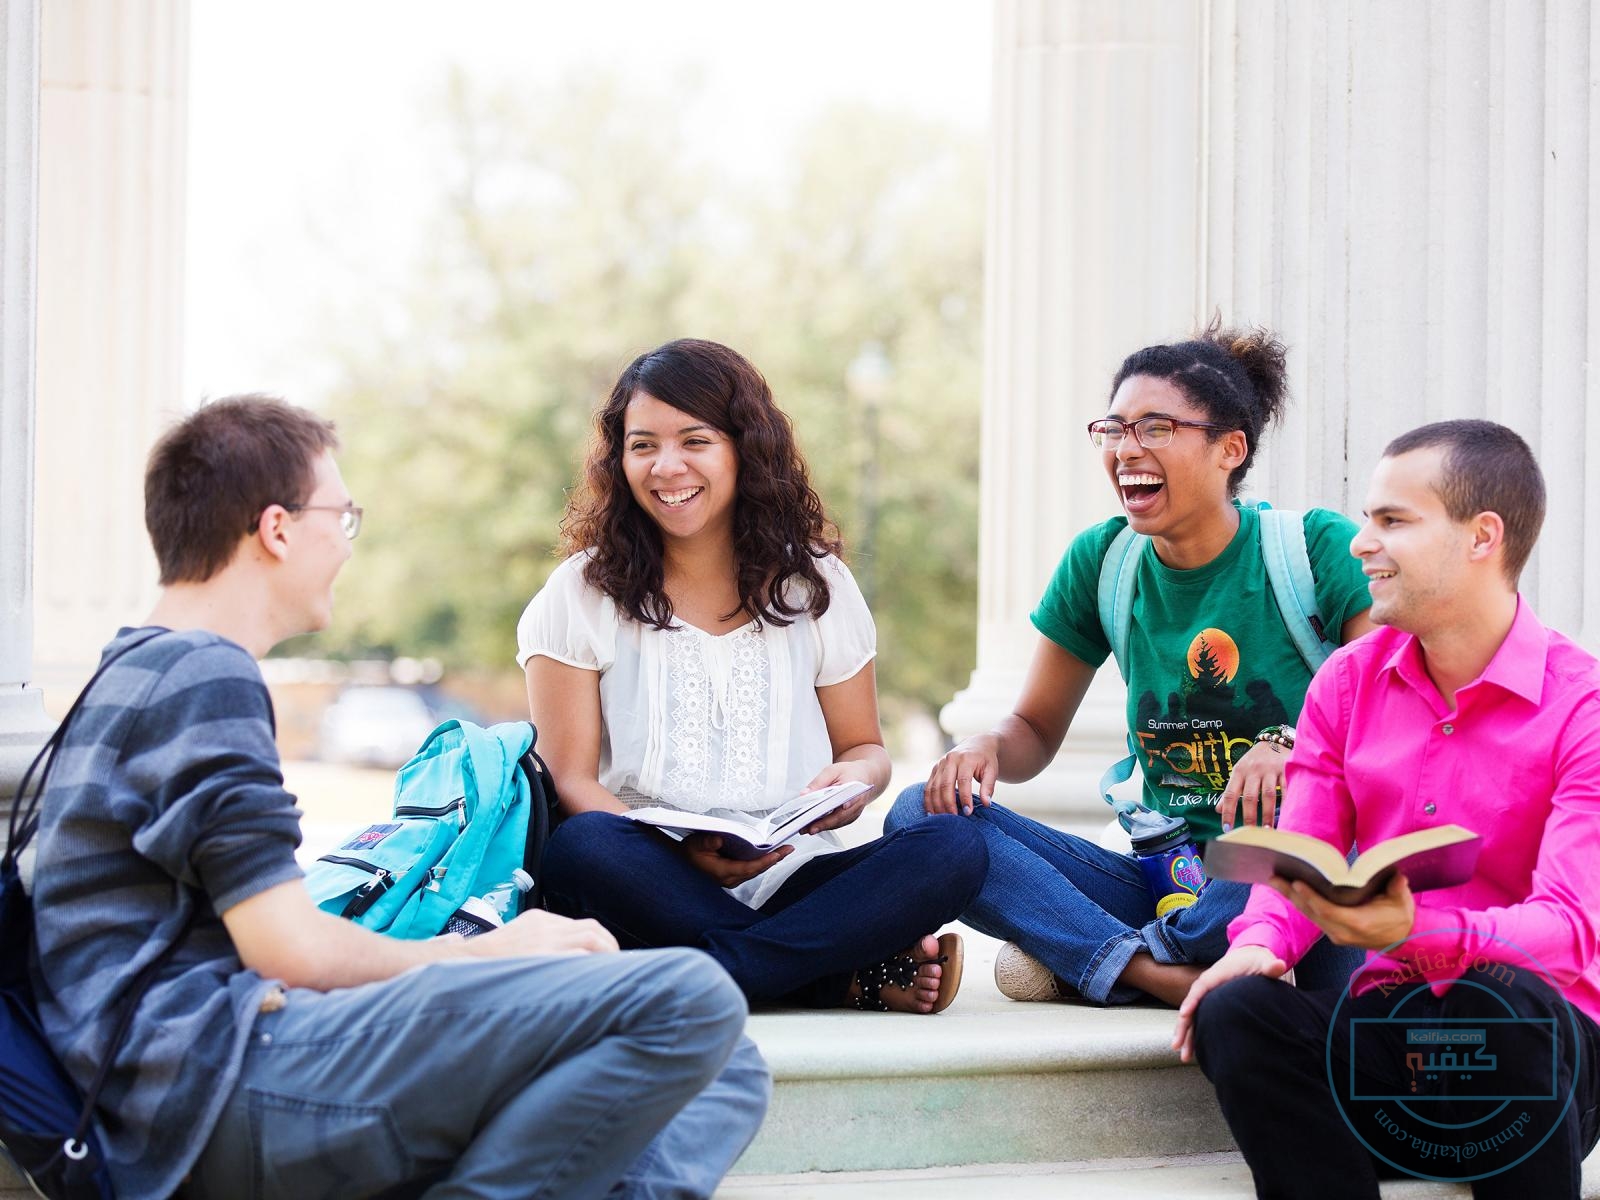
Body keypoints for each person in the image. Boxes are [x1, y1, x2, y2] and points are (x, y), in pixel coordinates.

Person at [29, 396, 769, 1200]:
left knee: (728, 1066)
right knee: (688, 998)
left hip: (189, 1079)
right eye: (341, 518)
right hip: (220, 1083)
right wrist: (483, 955)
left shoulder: (132, 669)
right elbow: (291, 950)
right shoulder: (205, 677)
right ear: (278, 529)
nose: (346, 549)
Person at [886, 320, 1375, 1006]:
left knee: (1306, 830)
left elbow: (1395, 705)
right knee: (919, 818)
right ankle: (1153, 971)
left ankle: (1098, 957)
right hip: (1168, 882)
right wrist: (985, 748)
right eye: (1113, 430)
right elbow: (1033, 730)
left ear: (1228, 448)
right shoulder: (1103, 562)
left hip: (1287, 876)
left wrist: (1291, 746)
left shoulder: (1315, 549)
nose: (1125, 450)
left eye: (1155, 428)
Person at [1176, 421, 1600, 1197]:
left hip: (1531, 1061)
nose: (1361, 543)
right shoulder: (1346, 682)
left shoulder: (1583, 706)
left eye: (1392, 521)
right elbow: (1298, 854)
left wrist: (1421, 931)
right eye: (1368, 518)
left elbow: (1572, 931)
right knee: (1237, 1010)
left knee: (1504, 996)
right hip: (1390, 1049)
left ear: (1483, 537)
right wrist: (1262, 940)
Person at [522, 338, 985, 1013]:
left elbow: (866, 748)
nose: (666, 466)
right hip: (646, 878)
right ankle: (827, 974)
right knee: (583, 846)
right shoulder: (580, 593)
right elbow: (572, 783)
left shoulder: (817, 585)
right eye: (643, 444)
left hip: (793, 873)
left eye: (695, 440)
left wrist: (857, 781)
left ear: (745, 446)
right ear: (618, 459)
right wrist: (680, 855)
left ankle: (718, 974)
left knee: (954, 848)